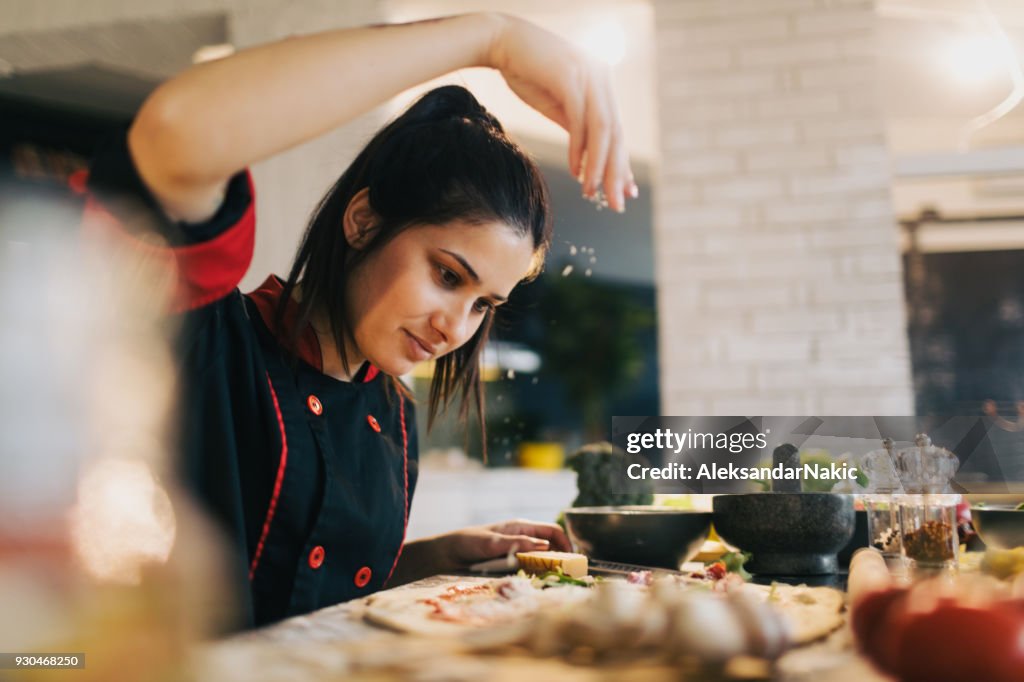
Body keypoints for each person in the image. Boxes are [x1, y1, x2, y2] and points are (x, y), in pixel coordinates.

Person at [82, 13, 636, 628]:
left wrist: (438, 557)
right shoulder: (206, 331)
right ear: (364, 221)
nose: (457, 327)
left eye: (484, 304)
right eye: (449, 276)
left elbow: (317, 595)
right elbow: (177, 131)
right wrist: (493, 39)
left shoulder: (395, 420)